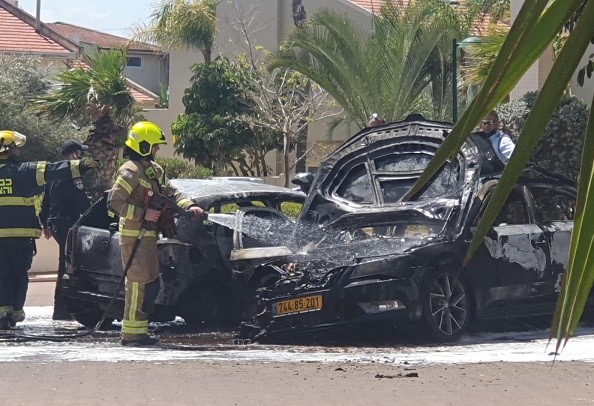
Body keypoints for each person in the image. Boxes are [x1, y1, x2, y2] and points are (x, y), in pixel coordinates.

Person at [108, 121, 204, 347]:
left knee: (149, 283)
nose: (157, 151)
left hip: (149, 236)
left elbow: (171, 192)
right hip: (134, 236)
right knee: (136, 284)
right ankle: (130, 334)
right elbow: (114, 202)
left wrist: (189, 205)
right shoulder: (129, 170)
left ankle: (140, 331)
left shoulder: (154, 170)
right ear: (142, 145)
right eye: (154, 146)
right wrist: (144, 214)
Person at [0, 130, 99, 330]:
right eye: (16, 148)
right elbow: (53, 169)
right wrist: (80, 165)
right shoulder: (23, 171)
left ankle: (4, 313)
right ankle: (14, 312)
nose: (19, 151)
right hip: (21, 239)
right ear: (9, 150)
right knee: (19, 274)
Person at [40, 139, 92, 321]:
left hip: (55, 224)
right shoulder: (72, 173)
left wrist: (45, 223)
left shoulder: (55, 171)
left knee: (64, 263)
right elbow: (81, 201)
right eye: (80, 153)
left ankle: (60, 309)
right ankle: (63, 309)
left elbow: (45, 200)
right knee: (68, 266)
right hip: (67, 224)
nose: (82, 157)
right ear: (73, 154)